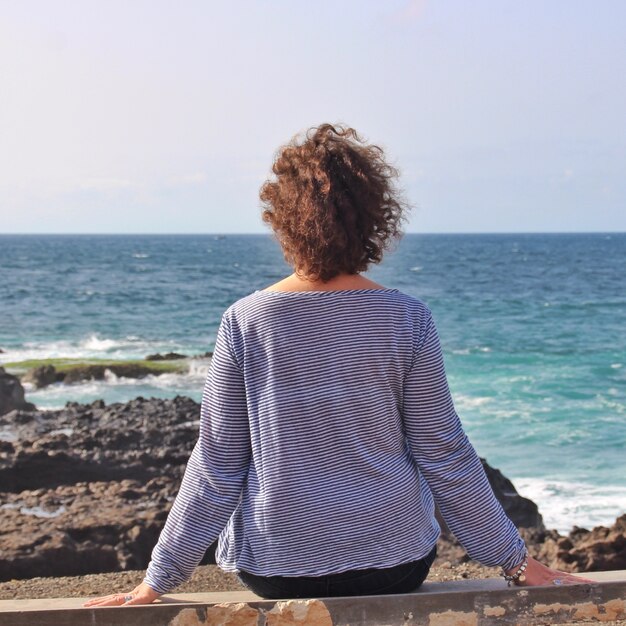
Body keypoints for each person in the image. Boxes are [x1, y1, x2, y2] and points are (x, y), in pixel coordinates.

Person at [85, 124, 589, 607]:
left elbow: (217, 462)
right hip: (394, 564)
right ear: (373, 219)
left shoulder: (245, 321)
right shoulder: (406, 316)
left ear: (282, 218)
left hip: (278, 569)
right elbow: (444, 453)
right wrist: (514, 561)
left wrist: (159, 578)